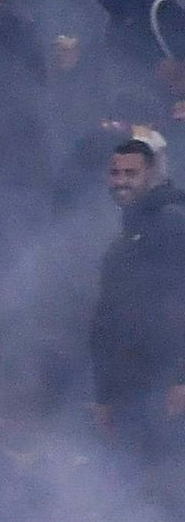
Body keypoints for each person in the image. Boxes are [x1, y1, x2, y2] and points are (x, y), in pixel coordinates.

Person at [89, 132, 185, 449]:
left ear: (151, 175)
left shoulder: (172, 225)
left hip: (167, 388)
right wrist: (104, 396)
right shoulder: (120, 245)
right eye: (115, 173)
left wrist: (181, 380)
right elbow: (106, 323)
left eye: (132, 173)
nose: (122, 181)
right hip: (131, 394)